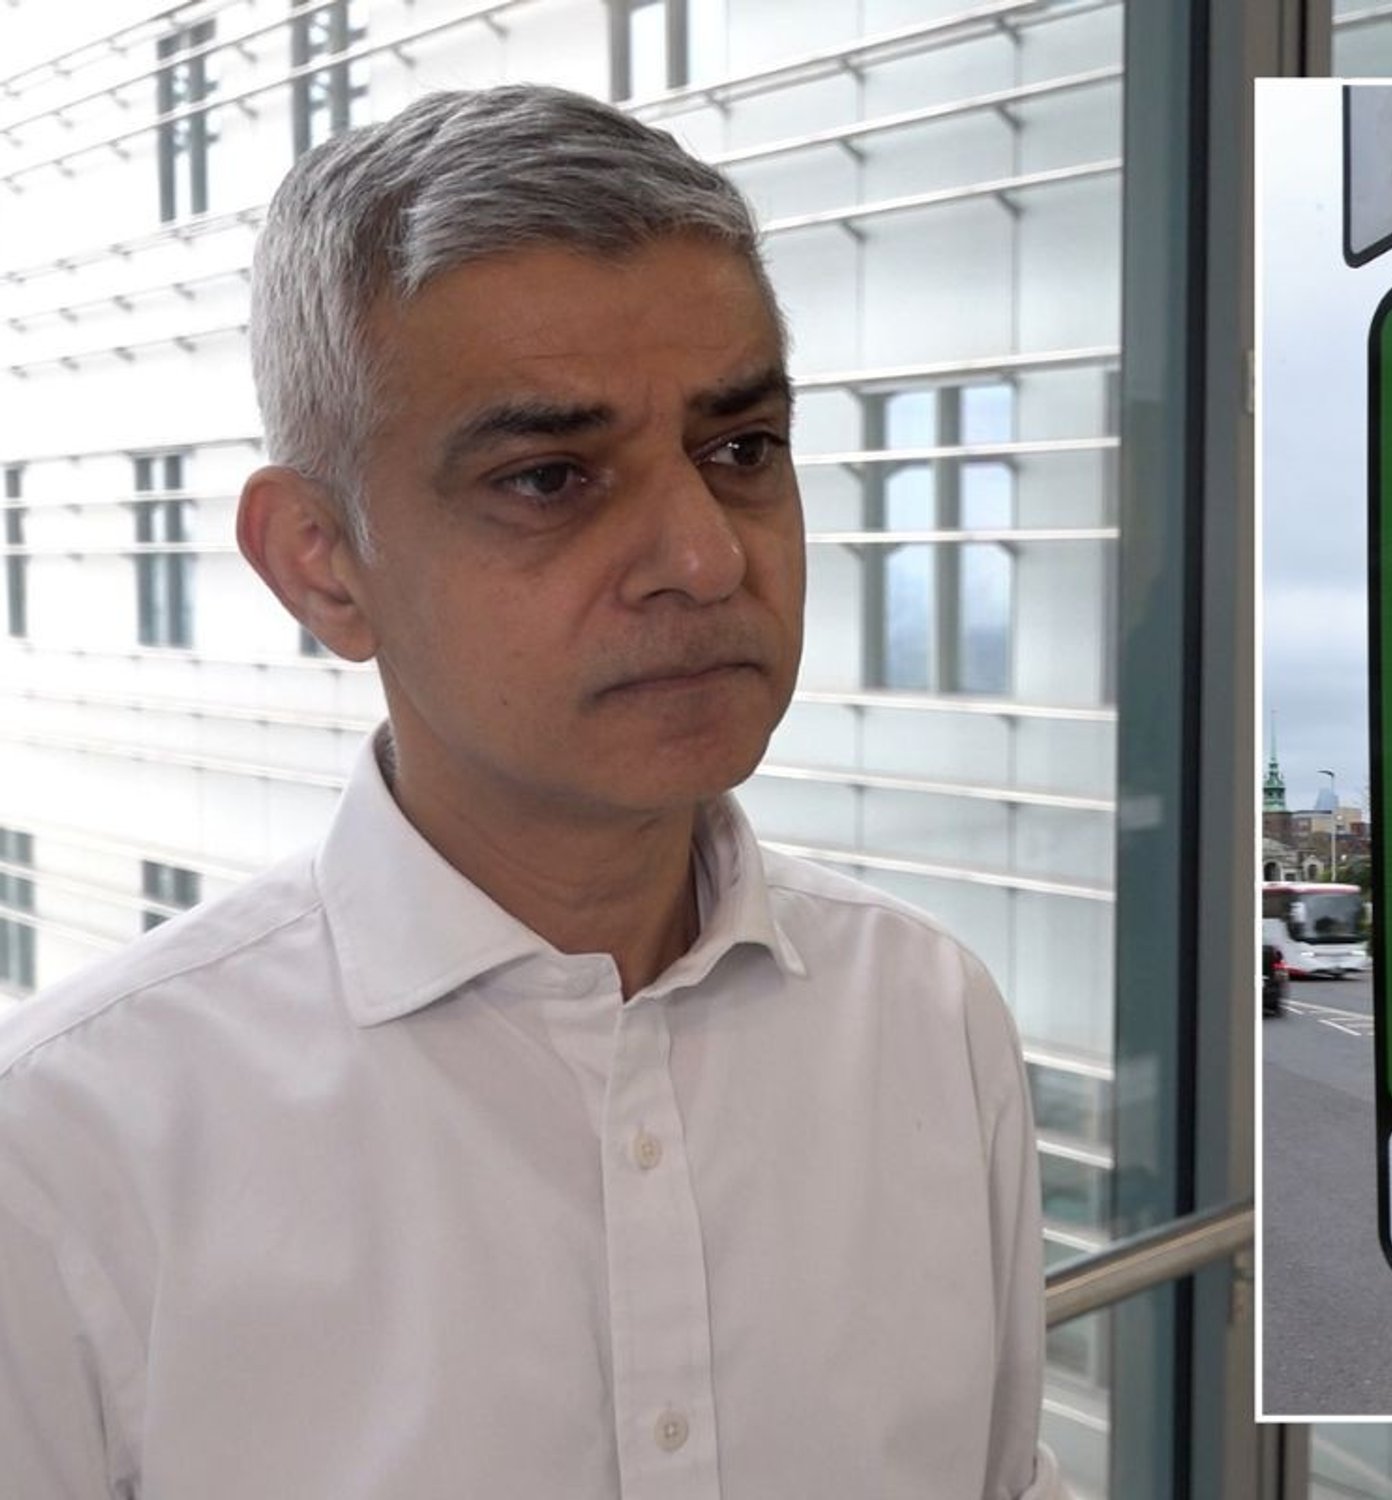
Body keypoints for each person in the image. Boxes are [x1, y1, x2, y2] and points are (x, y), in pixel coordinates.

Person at [0, 85, 1061, 1499]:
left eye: (741, 450)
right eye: (552, 477)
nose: (702, 556)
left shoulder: (929, 1020)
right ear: (322, 563)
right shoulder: (71, 1149)